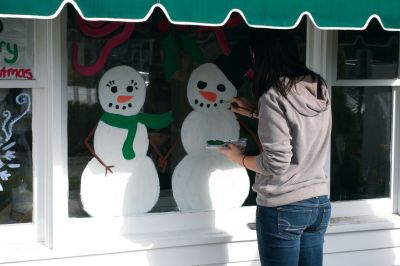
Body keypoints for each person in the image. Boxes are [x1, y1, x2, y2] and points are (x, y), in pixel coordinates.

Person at [218, 29, 332, 266]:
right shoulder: (317, 86)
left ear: (258, 55)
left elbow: (276, 163)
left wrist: (238, 157)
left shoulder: (273, 95)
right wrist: (252, 112)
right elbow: (301, 126)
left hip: (284, 204)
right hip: (318, 202)